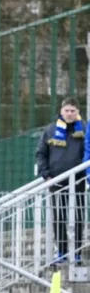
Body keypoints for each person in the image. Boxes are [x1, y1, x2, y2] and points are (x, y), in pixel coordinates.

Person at [35, 97, 88, 261]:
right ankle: (62, 251)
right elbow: (41, 153)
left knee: (78, 216)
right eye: (67, 110)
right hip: (56, 181)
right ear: (61, 111)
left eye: (73, 111)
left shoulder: (85, 129)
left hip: (78, 181)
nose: (70, 114)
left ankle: (77, 251)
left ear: (78, 112)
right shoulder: (50, 130)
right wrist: (46, 174)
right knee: (58, 217)